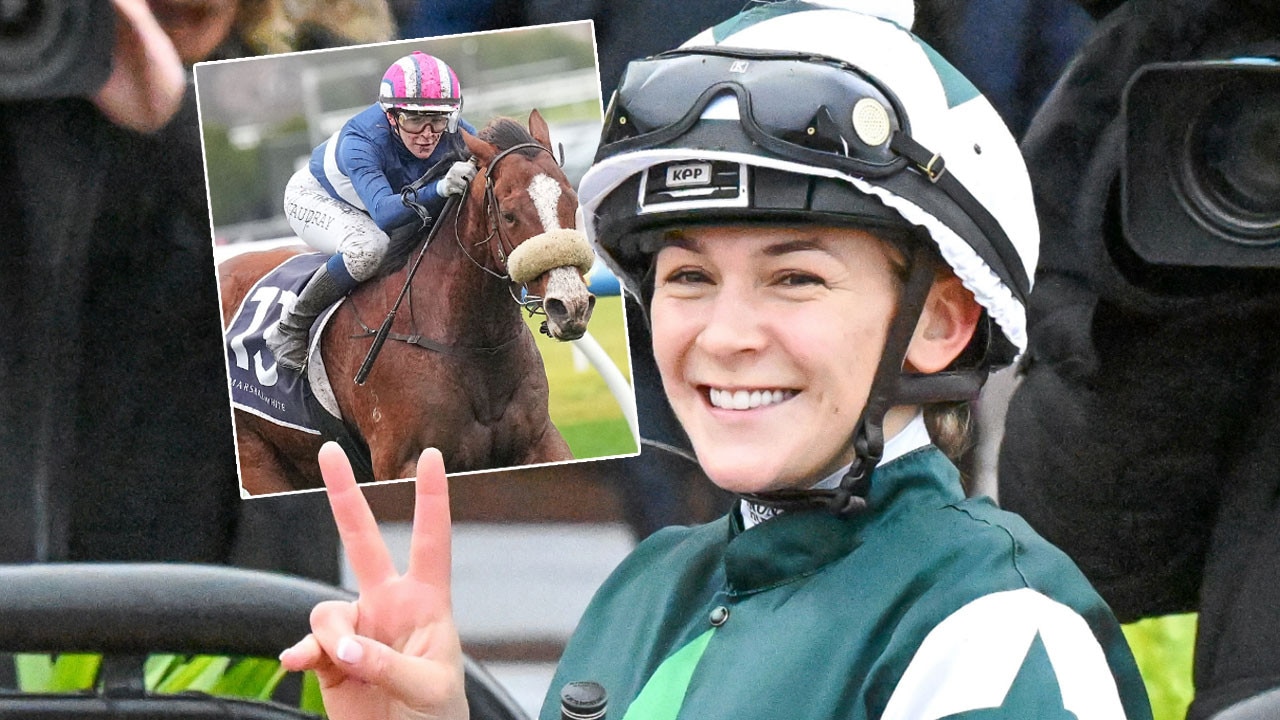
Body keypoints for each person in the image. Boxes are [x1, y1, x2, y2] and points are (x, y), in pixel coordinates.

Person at [279, 2, 1153, 718]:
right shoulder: (646, 591)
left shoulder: (995, 630)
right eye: (690, 274)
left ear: (939, 321)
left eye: (796, 278)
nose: (725, 333)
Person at [265, 50, 479, 370]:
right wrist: (441, 188)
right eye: (414, 119)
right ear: (391, 116)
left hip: (378, 204)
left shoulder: (457, 132)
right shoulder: (361, 140)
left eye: (437, 118)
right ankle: (290, 328)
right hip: (317, 198)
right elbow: (384, 214)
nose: (427, 133)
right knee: (369, 248)